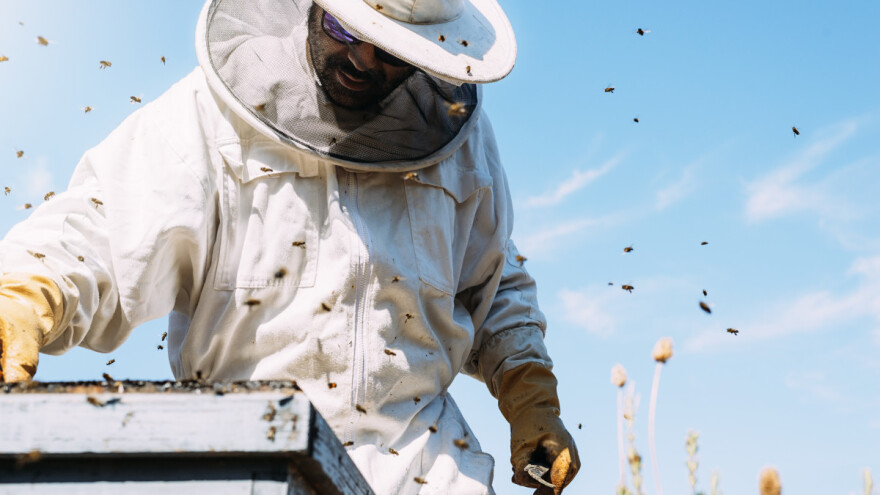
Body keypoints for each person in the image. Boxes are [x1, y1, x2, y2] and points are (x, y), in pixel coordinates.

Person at [0, 0, 579, 493]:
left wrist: (529, 390)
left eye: (393, 52)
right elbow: (105, 225)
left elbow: (491, 280)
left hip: (427, 469)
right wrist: (25, 295)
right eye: (347, 31)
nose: (362, 60)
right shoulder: (208, 116)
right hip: (243, 453)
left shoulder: (461, 142)